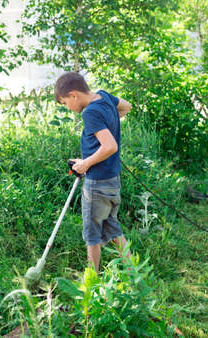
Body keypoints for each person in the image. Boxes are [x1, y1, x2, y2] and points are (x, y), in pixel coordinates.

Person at [54, 71, 132, 272]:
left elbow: (110, 146)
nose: (68, 108)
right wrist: (110, 124)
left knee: (92, 235)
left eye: (65, 103)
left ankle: (91, 281)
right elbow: (126, 107)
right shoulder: (104, 97)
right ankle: (133, 274)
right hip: (112, 180)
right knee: (112, 228)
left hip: (97, 183)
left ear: (73, 95)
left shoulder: (90, 112)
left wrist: (86, 164)